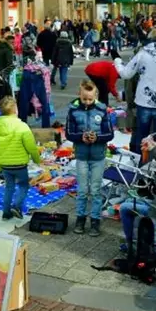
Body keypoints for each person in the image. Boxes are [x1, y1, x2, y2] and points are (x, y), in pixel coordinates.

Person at [65, 80, 114, 236]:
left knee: (95, 190)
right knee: (82, 190)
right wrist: (81, 137)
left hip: (98, 156)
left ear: (95, 96)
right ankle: (80, 218)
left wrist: (97, 138)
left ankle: (95, 220)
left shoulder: (102, 110)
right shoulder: (73, 110)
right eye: (84, 98)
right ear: (79, 95)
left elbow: (110, 134)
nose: (87, 102)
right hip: (81, 155)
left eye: (90, 99)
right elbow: (68, 133)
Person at [0, 96, 41, 221]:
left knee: (9, 187)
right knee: (24, 185)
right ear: (15, 110)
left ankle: (6, 212)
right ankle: (17, 206)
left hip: (5, 165)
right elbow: (31, 146)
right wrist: (37, 159)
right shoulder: (22, 126)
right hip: (19, 164)